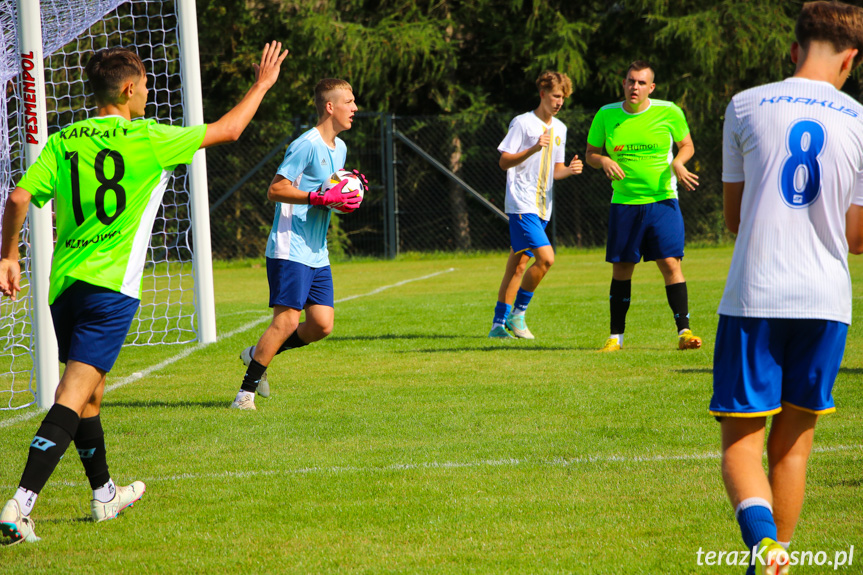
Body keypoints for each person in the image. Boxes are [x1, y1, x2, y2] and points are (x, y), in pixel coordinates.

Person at [0, 42, 288, 544]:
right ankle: (19, 506)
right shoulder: (148, 137)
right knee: (73, 394)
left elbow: (20, 196)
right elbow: (230, 130)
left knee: (90, 395)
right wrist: (262, 84)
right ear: (129, 89)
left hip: (64, 286)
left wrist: (9, 254)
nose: (150, 94)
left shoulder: (65, 139)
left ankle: (105, 494)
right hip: (110, 291)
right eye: (147, 86)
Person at [713, 2, 863, 572]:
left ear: (795, 49)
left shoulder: (745, 104)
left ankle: (764, 547)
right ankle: (775, 562)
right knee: (793, 448)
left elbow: (733, 217)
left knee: (741, 445)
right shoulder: (859, 119)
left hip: (757, 292)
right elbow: (856, 237)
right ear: (851, 59)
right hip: (828, 302)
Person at [232, 78, 366, 410]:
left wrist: (342, 199)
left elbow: (329, 195)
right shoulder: (306, 144)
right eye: (349, 102)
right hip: (289, 246)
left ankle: (258, 354)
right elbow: (275, 190)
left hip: (317, 251)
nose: (355, 108)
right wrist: (318, 196)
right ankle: (244, 394)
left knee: (322, 324)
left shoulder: (342, 148)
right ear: (330, 107)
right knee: (288, 321)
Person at [585, 61, 702, 352]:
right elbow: (590, 154)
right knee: (622, 268)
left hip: (662, 200)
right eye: (630, 81)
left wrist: (678, 162)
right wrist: (604, 160)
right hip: (624, 203)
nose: (634, 87)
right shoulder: (606, 114)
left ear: (651, 87)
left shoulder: (669, 111)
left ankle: (684, 333)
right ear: (623, 84)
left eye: (640, 83)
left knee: (670, 263)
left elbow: (687, 145)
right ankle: (616, 338)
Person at [488, 71, 583, 339]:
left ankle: (498, 326)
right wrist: (532, 149)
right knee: (547, 258)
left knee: (518, 266)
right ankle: (518, 315)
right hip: (522, 205)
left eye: (562, 97)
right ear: (542, 94)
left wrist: (571, 170)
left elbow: (556, 171)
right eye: (555, 96)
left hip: (543, 207)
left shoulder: (560, 129)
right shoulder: (522, 123)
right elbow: (504, 162)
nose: (559, 102)